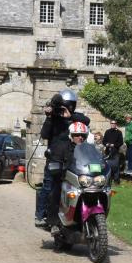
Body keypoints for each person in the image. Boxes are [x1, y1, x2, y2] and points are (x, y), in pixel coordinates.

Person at [35, 89, 90, 228]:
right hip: (55, 159)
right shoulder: (53, 118)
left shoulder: (75, 117)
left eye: (68, 105)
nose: (65, 108)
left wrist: (69, 116)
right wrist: (49, 116)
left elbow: (86, 121)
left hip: (73, 160)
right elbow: (45, 134)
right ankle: (40, 215)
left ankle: (76, 215)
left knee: (80, 186)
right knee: (48, 187)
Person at [103, 119, 124, 186]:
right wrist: (106, 144)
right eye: (112, 123)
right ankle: (108, 181)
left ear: (116, 124)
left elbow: (121, 142)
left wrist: (114, 145)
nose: (113, 124)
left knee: (116, 167)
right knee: (107, 167)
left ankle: (116, 181)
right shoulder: (107, 131)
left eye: (114, 123)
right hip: (107, 152)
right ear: (110, 124)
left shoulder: (119, 132)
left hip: (115, 152)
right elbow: (104, 141)